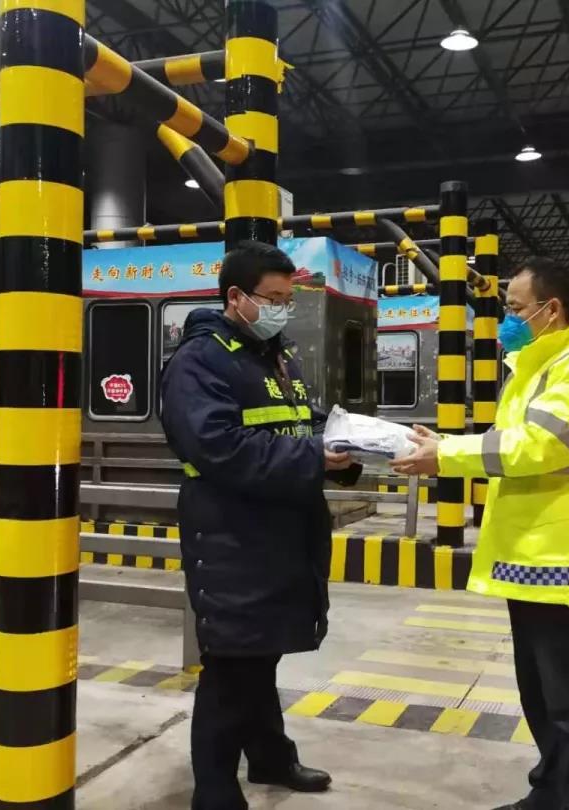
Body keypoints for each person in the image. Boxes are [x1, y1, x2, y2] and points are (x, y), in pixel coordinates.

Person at [391, 258, 569, 810]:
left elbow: (540, 447)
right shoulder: (533, 367)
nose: (509, 319)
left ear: (552, 309)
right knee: (540, 691)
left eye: (516, 308)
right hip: (528, 552)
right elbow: (510, 445)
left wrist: (447, 454)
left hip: (560, 554)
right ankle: (551, 792)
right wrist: (443, 445)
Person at [160, 240, 361, 810]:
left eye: (287, 299)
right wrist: (315, 457)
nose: (282, 309)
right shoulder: (199, 362)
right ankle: (215, 793)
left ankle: (270, 757)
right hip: (231, 538)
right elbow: (218, 447)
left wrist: (349, 442)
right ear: (235, 297)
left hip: (279, 535)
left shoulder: (274, 356)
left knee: (259, 654)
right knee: (231, 669)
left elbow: (299, 422)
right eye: (272, 299)